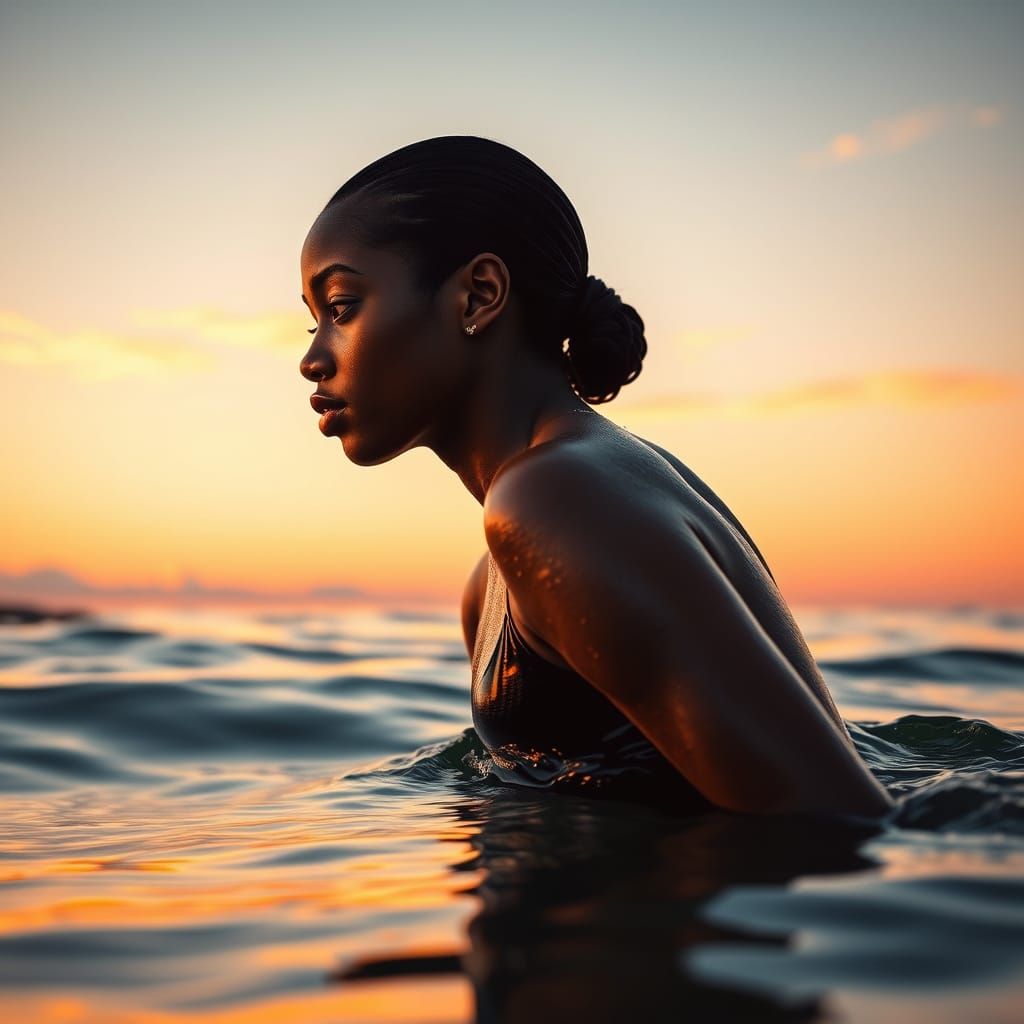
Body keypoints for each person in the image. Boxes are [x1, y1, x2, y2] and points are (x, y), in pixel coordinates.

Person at [299, 136, 893, 818]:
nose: (313, 358)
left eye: (341, 307)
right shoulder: (503, 564)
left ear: (478, 295)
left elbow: (833, 819)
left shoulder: (555, 504)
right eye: (314, 321)